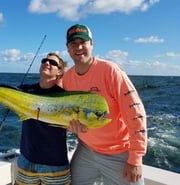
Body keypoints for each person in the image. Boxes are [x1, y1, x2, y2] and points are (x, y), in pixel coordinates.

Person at [63, 24, 147, 185]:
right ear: (68, 48)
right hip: (86, 149)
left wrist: (136, 158)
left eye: (83, 42)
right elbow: (69, 114)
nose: (78, 47)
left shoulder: (111, 71)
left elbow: (136, 113)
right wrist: (70, 125)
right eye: (73, 43)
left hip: (119, 152)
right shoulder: (67, 78)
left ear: (91, 44)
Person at [0, 53, 71, 185]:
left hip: (55, 165)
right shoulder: (26, 90)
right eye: (45, 60)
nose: (47, 63)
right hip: (26, 162)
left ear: (59, 71)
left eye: (53, 63)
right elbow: (6, 93)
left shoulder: (65, 97)